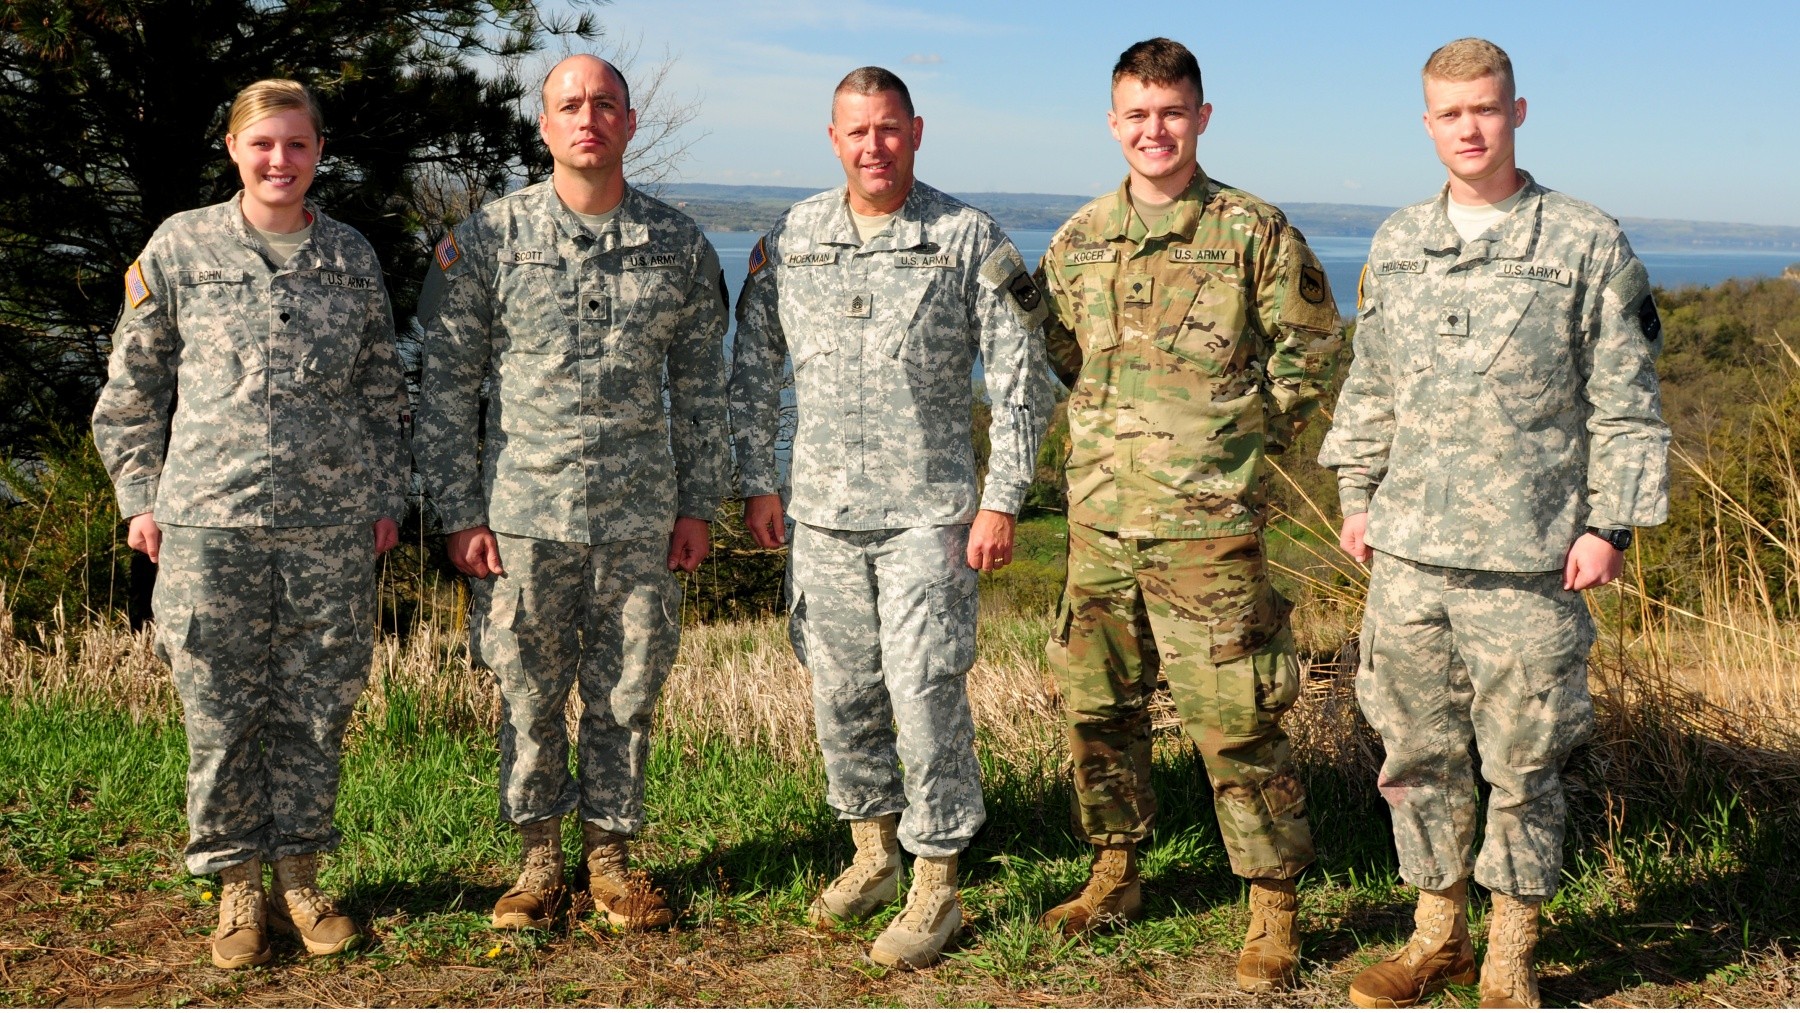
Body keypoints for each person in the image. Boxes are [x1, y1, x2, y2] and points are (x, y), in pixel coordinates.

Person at [1319, 38, 1669, 1009]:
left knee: (1526, 755)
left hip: (1533, 554)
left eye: (1485, 108)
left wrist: (1611, 523)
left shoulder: (1584, 241)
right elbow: (1372, 381)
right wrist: (1357, 494)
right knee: (1412, 750)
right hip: (1411, 555)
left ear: (1518, 112)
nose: (1468, 128)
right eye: (1449, 112)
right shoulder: (1397, 242)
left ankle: (1510, 950)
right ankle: (1435, 932)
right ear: (1426, 122)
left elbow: (1629, 398)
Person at [1032, 37, 1343, 992]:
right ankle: (1116, 870)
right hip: (1099, 524)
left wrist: (1238, 453)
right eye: (1136, 113)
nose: (1153, 130)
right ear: (1113, 121)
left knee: (1236, 718)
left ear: (1201, 117)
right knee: (1096, 707)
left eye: (1171, 112)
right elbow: (1062, 354)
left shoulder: (1252, 230)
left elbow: (1315, 351)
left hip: (1210, 531)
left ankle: (1272, 907)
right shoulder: (1079, 238)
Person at [728, 66, 1051, 970]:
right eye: (856, 130)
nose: (874, 145)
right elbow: (753, 361)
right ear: (833, 138)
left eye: (889, 128)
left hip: (931, 513)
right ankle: (873, 851)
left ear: (917, 131)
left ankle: (937, 879)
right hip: (823, 513)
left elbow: (1023, 373)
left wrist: (1002, 496)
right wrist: (758, 480)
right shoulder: (792, 236)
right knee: (842, 692)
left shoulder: (965, 237)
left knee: (924, 691)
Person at [91, 79, 407, 969]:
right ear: (234, 149)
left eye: (297, 145)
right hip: (207, 525)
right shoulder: (181, 247)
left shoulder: (350, 257)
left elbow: (384, 392)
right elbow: (131, 393)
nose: (280, 161)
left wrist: (385, 498)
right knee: (220, 712)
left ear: (318, 153)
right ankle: (235, 884)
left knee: (316, 707)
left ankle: (300, 877)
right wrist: (140, 498)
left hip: (330, 529)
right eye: (263, 143)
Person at [412, 54, 729, 934]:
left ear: (629, 123)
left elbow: (703, 386)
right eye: (569, 105)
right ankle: (538, 860)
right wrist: (459, 512)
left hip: (639, 519)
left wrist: (698, 504)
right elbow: (446, 388)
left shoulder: (680, 246)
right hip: (522, 520)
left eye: (605, 104)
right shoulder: (485, 242)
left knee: (628, 689)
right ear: (544, 127)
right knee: (526, 691)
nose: (587, 117)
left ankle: (613, 861)